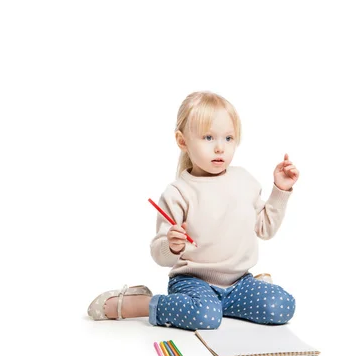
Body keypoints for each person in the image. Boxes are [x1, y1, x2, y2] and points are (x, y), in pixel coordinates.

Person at [87, 91, 300, 330]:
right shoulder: (178, 193)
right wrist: (172, 246)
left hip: (239, 282)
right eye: (208, 137)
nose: (220, 148)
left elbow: (265, 229)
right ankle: (142, 303)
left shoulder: (245, 181)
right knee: (205, 316)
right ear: (182, 141)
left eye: (228, 138)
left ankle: (226, 303)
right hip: (192, 283)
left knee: (281, 306)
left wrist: (280, 190)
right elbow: (160, 255)